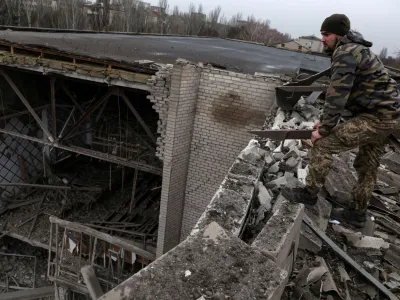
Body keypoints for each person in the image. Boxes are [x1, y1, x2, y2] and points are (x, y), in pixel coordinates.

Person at [282, 14, 400, 228]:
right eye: (321, 34)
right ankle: (357, 214)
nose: (323, 39)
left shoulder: (345, 52)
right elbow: (358, 93)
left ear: (339, 35)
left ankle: (309, 194)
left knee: (323, 145)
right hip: (389, 116)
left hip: (376, 118)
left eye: (327, 34)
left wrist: (325, 129)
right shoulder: (358, 50)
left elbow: (337, 95)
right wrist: (326, 121)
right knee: (368, 165)